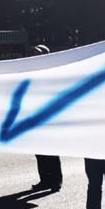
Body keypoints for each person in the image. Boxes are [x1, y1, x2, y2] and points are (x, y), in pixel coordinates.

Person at [29, 44, 63, 192]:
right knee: (40, 152)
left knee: (51, 151)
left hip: (49, 119)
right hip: (35, 119)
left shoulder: (52, 72)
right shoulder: (31, 73)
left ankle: (56, 181)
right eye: (33, 54)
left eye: (37, 54)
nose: (34, 56)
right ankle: (44, 180)